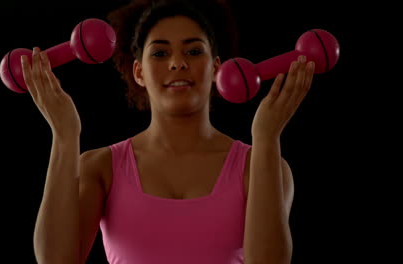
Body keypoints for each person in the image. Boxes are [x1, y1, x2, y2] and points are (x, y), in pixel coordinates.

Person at [20, 0, 315, 263]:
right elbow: (55, 260)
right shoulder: (99, 168)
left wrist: (266, 138)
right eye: (160, 53)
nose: (178, 63)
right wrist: (64, 134)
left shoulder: (263, 165)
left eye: (193, 50)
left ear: (216, 69)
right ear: (138, 72)